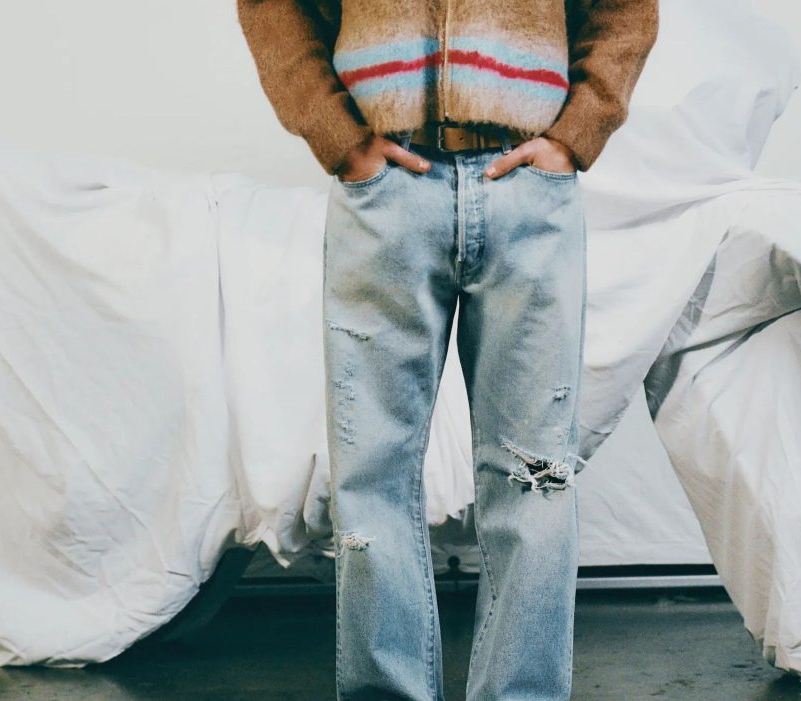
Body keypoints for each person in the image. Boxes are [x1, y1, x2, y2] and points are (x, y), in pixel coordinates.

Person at [236, 1, 659, 698]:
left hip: (529, 189)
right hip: (385, 192)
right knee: (372, 472)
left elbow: (626, 8)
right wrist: (337, 135)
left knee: (534, 474)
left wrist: (578, 129)